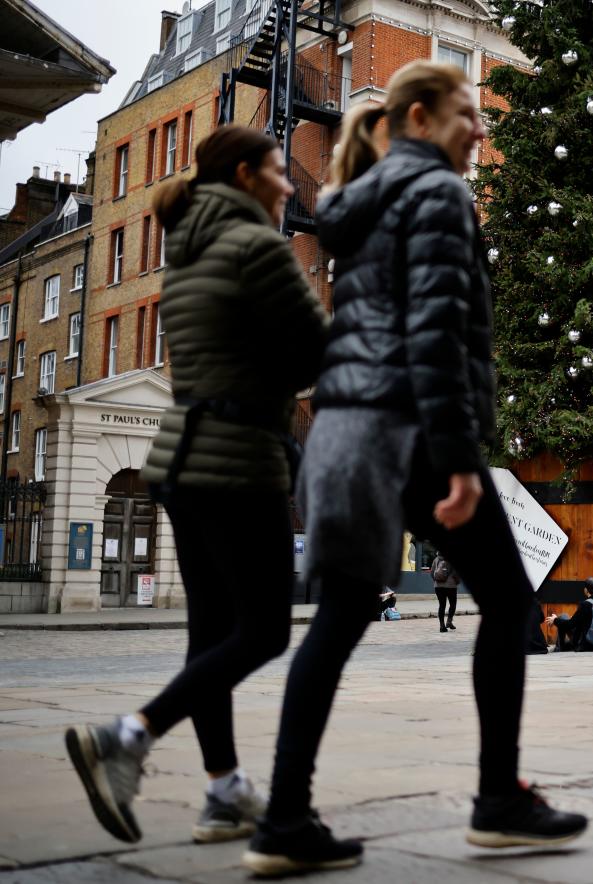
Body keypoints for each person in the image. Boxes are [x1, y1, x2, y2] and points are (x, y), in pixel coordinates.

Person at [241, 62, 587, 877]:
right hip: (411, 433)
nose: (479, 130)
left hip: (343, 436)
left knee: (339, 618)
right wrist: (462, 463)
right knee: (507, 601)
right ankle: (498, 800)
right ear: (424, 117)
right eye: (469, 114)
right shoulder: (435, 196)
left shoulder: (362, 203)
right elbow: (434, 334)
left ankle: (284, 819)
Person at [63, 125, 329, 847]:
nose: (288, 184)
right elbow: (316, 353)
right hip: (239, 460)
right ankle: (129, 733)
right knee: (266, 630)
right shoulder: (258, 247)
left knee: (210, 635)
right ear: (246, 174)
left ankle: (221, 791)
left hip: (181, 459)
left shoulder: (187, 251)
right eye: (280, 171)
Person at [545, 577, 593, 652]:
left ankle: (559, 649)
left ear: (585, 590)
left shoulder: (585, 604)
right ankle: (560, 647)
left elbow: (570, 624)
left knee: (563, 617)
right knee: (564, 619)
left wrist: (555, 620)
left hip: (587, 644)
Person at [431, 552, 459, 632]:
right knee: (453, 604)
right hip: (451, 586)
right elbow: (455, 573)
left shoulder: (436, 559)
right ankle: (449, 621)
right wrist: (457, 581)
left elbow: (432, 573)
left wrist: (437, 581)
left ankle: (442, 626)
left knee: (442, 605)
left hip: (438, 587)